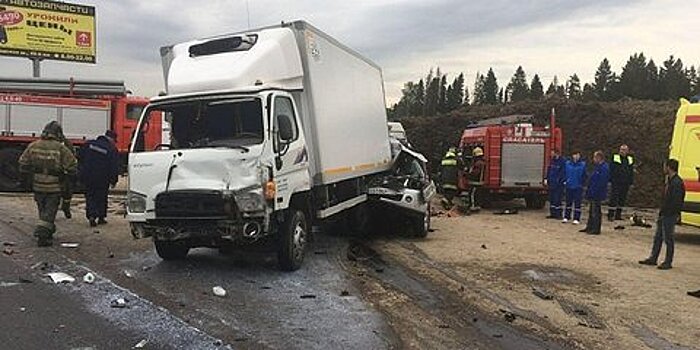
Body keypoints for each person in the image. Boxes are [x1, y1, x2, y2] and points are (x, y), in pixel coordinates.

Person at [18, 121, 78, 246]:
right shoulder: (60, 148)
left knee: (43, 210)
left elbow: (23, 163)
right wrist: (68, 177)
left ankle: (48, 230)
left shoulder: (33, 146)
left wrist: (26, 178)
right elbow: (72, 165)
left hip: (37, 184)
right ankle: (42, 236)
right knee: (50, 211)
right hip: (54, 186)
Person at [638, 159, 685, 270]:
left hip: (669, 214)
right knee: (658, 237)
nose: (663, 168)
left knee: (668, 238)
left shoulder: (677, 183)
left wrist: (670, 213)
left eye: (665, 166)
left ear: (669, 167)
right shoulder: (670, 181)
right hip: (664, 213)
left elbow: (676, 201)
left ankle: (668, 261)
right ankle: (653, 258)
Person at [79, 130, 120, 227]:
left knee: (90, 196)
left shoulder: (89, 144)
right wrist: (114, 180)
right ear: (111, 139)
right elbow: (114, 166)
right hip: (102, 178)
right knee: (101, 197)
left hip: (88, 176)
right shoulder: (111, 149)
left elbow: (80, 156)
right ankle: (101, 217)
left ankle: (92, 216)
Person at [580, 151, 609, 235]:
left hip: (597, 193)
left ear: (599, 158)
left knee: (595, 212)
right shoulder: (598, 167)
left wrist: (595, 192)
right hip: (593, 192)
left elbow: (601, 182)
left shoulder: (604, 168)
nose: (593, 159)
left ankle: (595, 229)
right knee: (591, 211)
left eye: (594, 157)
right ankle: (590, 227)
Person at [608, 144, 635, 221]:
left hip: (625, 182)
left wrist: (631, 182)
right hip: (616, 182)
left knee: (622, 199)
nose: (623, 151)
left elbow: (631, 171)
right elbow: (612, 169)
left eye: (624, 150)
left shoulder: (630, 159)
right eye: (621, 150)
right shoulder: (615, 157)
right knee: (613, 198)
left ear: (627, 151)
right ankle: (610, 215)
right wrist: (611, 180)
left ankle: (618, 215)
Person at [56, 128, 77, 219]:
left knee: (66, 191)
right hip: (60, 172)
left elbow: (71, 157)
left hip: (62, 172)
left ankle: (65, 207)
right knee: (63, 191)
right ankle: (64, 207)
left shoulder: (66, 144)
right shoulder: (65, 144)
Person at [563, 151, 586, 224]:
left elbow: (584, 175)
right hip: (569, 186)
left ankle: (576, 218)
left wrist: (582, 183)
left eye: (577, 155)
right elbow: (564, 173)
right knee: (568, 202)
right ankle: (566, 216)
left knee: (577, 203)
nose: (576, 156)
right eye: (575, 155)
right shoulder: (567, 164)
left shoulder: (582, 165)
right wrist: (565, 181)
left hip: (578, 187)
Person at [546, 149, 566, 219]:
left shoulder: (562, 162)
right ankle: (553, 213)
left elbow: (563, 173)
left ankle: (559, 214)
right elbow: (549, 170)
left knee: (558, 200)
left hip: (558, 185)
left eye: (552, 153)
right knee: (552, 199)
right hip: (552, 183)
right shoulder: (552, 161)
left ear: (556, 153)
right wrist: (547, 179)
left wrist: (561, 181)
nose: (551, 154)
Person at [467, 147, 486, 211]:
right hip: (479, 182)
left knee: (472, 194)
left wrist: (468, 174)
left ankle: (473, 206)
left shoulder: (478, 163)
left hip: (475, 182)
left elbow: (475, 173)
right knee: (478, 194)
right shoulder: (482, 162)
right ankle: (477, 206)